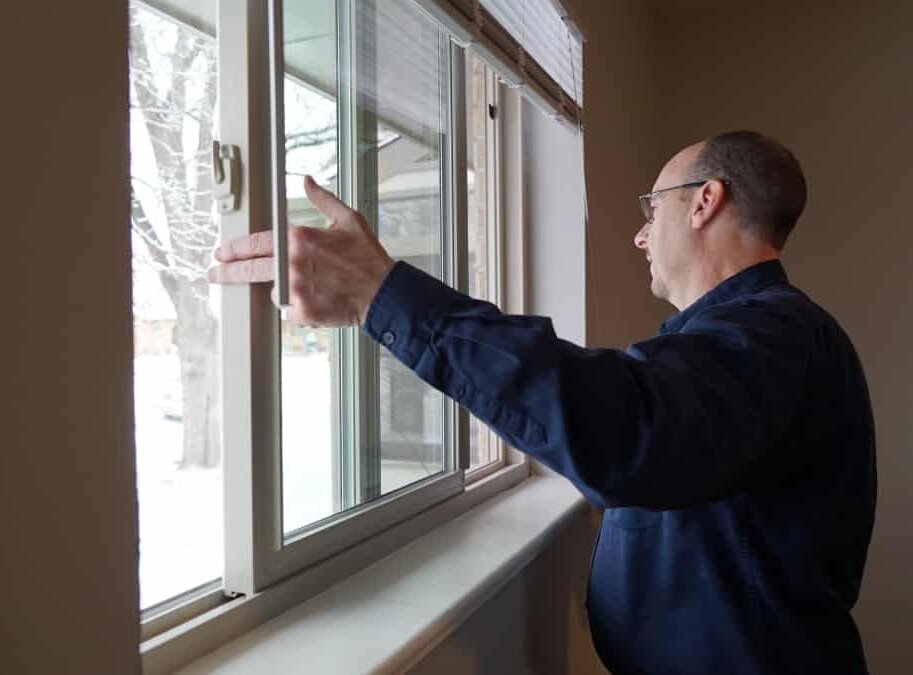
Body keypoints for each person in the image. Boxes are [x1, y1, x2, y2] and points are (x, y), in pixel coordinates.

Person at [209, 130, 876, 675]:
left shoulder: (773, 339)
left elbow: (631, 431)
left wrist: (383, 295)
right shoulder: (746, 344)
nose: (641, 235)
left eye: (652, 207)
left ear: (704, 201)